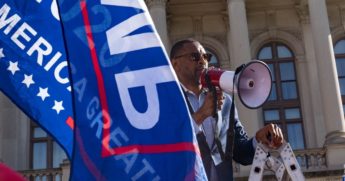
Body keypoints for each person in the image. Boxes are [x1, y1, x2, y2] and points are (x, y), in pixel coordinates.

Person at [170, 38, 284, 181]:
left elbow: (241, 153)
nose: (202, 61)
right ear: (175, 64)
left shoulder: (225, 102)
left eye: (206, 57)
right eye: (195, 57)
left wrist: (259, 139)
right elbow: (166, 143)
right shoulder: (169, 100)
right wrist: (201, 114)